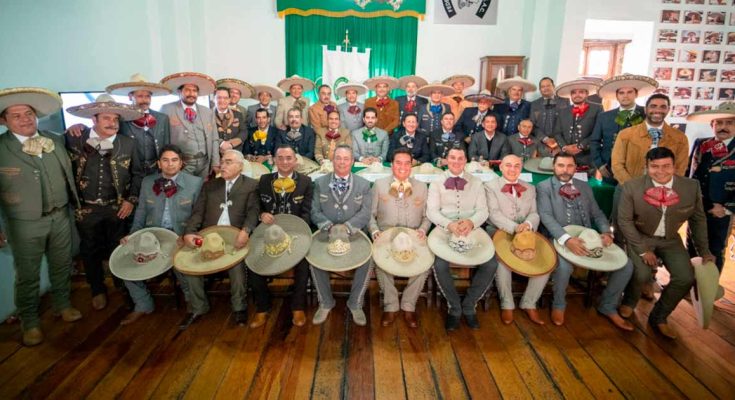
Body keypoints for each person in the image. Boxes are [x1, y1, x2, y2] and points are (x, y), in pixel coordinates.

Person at [0, 87, 82, 346]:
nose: (25, 119)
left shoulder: (54, 139)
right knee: (27, 275)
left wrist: (78, 127)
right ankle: (30, 322)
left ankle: (62, 304)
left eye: (28, 113)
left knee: (61, 264)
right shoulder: (1, 149)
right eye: (16, 116)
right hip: (24, 223)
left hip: (60, 216)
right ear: (4, 121)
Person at [617, 148, 714, 339]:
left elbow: (698, 220)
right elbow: (624, 221)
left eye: (666, 166)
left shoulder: (691, 186)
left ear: (674, 166)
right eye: (654, 166)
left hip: (670, 239)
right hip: (642, 236)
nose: (660, 171)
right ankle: (629, 301)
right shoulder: (632, 187)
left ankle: (659, 316)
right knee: (641, 272)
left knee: (685, 277)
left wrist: (704, 251)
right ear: (647, 167)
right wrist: (643, 250)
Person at [536, 153, 634, 330]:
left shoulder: (584, 186)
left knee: (626, 265)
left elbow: (597, 214)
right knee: (564, 267)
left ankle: (608, 306)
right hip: (557, 238)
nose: (565, 170)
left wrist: (605, 231)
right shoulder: (544, 187)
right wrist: (566, 240)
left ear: (575, 167)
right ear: (553, 167)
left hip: (588, 237)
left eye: (570, 166)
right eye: (561, 165)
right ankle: (559, 304)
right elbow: (546, 217)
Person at [66, 95, 144, 311]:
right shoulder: (74, 138)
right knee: (89, 250)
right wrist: (74, 126)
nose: (112, 123)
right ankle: (97, 289)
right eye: (106, 118)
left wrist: (130, 200)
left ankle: (123, 285)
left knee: (118, 248)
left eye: (115, 119)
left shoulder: (128, 143)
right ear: (94, 119)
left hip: (116, 207)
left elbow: (137, 174)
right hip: (86, 209)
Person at [121, 144, 203, 325]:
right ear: (159, 163)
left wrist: (189, 235)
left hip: (181, 236)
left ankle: (192, 302)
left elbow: (198, 215)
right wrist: (132, 236)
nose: (170, 164)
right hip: (152, 235)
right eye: (165, 160)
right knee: (124, 263)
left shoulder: (194, 183)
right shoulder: (148, 182)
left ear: (181, 163)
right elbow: (141, 212)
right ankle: (143, 304)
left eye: (174, 160)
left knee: (182, 264)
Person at [181, 150, 259, 328]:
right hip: (209, 238)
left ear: (240, 166)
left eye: (229, 162)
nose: (223, 165)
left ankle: (239, 307)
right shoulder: (210, 186)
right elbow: (198, 212)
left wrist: (246, 230)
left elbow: (253, 212)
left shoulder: (251, 185)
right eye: (222, 161)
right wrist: (189, 232)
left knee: (237, 268)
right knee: (189, 267)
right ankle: (199, 307)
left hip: (235, 238)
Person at [427, 147, 498, 330]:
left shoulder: (476, 182)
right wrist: (449, 225)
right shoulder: (436, 182)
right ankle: (454, 306)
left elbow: (483, 211)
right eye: (452, 158)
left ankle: (469, 304)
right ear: (447, 159)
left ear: (465, 160)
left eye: (460, 158)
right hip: (444, 229)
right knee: (439, 264)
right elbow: (431, 211)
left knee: (490, 264)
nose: (456, 161)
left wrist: (471, 223)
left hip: (471, 230)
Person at [310, 145, 373, 325]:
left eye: (346, 158)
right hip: (326, 233)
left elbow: (366, 212)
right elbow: (314, 211)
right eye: (338, 158)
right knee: (313, 258)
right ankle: (326, 302)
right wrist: (329, 227)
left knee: (368, 259)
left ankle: (355, 303)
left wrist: (347, 228)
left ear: (352, 161)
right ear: (333, 160)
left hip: (354, 234)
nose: (342, 162)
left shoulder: (363, 184)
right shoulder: (320, 183)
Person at [252, 145, 313, 327]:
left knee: (303, 263)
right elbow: (256, 206)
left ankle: (298, 306)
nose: (285, 162)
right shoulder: (263, 180)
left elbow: (307, 212)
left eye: (288, 158)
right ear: (275, 160)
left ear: (295, 161)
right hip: (268, 233)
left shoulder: (306, 181)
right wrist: (261, 215)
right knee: (254, 261)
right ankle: (262, 307)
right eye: (280, 158)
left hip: (296, 234)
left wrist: (295, 229)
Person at [369, 148, 431, 328]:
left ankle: (408, 304)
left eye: (406, 163)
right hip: (386, 236)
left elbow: (427, 217)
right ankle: (391, 305)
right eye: (398, 162)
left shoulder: (421, 186)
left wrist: (423, 230)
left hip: (413, 236)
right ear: (391, 165)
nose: (402, 166)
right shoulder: (379, 185)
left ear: (411, 165)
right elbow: (370, 215)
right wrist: (374, 231)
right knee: (380, 263)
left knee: (424, 264)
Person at [485, 155, 546, 325]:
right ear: (501, 168)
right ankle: (507, 303)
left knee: (545, 261)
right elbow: (493, 213)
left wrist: (527, 224)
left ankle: (529, 302)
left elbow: (534, 213)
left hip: (526, 233)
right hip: (500, 231)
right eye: (509, 166)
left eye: (517, 166)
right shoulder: (490, 186)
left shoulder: (530, 188)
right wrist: (514, 227)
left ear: (521, 168)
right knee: (503, 262)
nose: (512, 169)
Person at [687, 103, 735, 272]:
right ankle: (688, 288)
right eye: (719, 123)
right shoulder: (701, 143)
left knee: (715, 249)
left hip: (721, 211)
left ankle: (708, 290)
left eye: (729, 123)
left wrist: (727, 208)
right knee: (692, 246)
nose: (723, 127)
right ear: (712, 125)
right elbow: (689, 172)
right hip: (697, 205)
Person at [611, 94, 689, 184]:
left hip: (664, 190)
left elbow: (680, 168)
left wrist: (663, 186)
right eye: (653, 106)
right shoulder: (626, 134)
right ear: (645, 109)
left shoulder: (680, 138)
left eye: (663, 107)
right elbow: (617, 165)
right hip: (627, 188)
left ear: (668, 110)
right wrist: (632, 187)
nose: (658, 110)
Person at [591, 74, 656, 182]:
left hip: (638, 168)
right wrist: (600, 165)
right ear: (616, 96)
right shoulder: (604, 116)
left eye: (630, 92)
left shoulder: (646, 114)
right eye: (621, 93)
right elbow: (594, 141)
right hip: (609, 169)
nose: (625, 96)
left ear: (636, 94)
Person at [104, 73, 173, 176]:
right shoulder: (121, 118)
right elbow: (103, 129)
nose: (144, 100)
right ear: (130, 97)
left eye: (147, 96)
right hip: (130, 171)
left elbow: (167, 145)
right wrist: (78, 126)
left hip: (156, 170)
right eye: (140, 96)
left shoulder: (162, 118)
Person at [160, 72, 220, 178]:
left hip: (204, 163)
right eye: (187, 90)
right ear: (180, 91)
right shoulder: (167, 109)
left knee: (202, 192)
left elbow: (214, 138)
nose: (191, 94)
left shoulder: (207, 112)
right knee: (183, 192)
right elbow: (161, 138)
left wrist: (215, 162)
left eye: (194, 91)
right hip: (182, 164)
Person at [552, 79, 602, 169]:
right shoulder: (563, 111)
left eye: (581, 92)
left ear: (587, 94)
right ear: (571, 95)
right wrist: (564, 147)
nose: (577, 95)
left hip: (588, 156)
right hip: (566, 156)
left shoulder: (597, 108)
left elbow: (598, 131)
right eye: (574, 92)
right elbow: (557, 133)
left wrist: (581, 146)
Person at [530, 77, 565, 145]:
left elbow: (566, 124)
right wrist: (545, 139)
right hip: (539, 142)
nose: (546, 88)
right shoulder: (534, 104)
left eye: (548, 85)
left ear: (554, 86)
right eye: (543, 86)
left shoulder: (564, 102)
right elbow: (532, 125)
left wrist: (557, 139)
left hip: (560, 142)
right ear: (540, 89)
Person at [212, 87, 247, 153]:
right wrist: (221, 143)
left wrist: (231, 144)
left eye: (225, 98)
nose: (222, 100)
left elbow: (244, 131)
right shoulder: (208, 115)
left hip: (235, 152)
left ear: (229, 99)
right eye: (219, 97)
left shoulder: (238, 114)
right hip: (215, 153)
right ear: (214, 99)